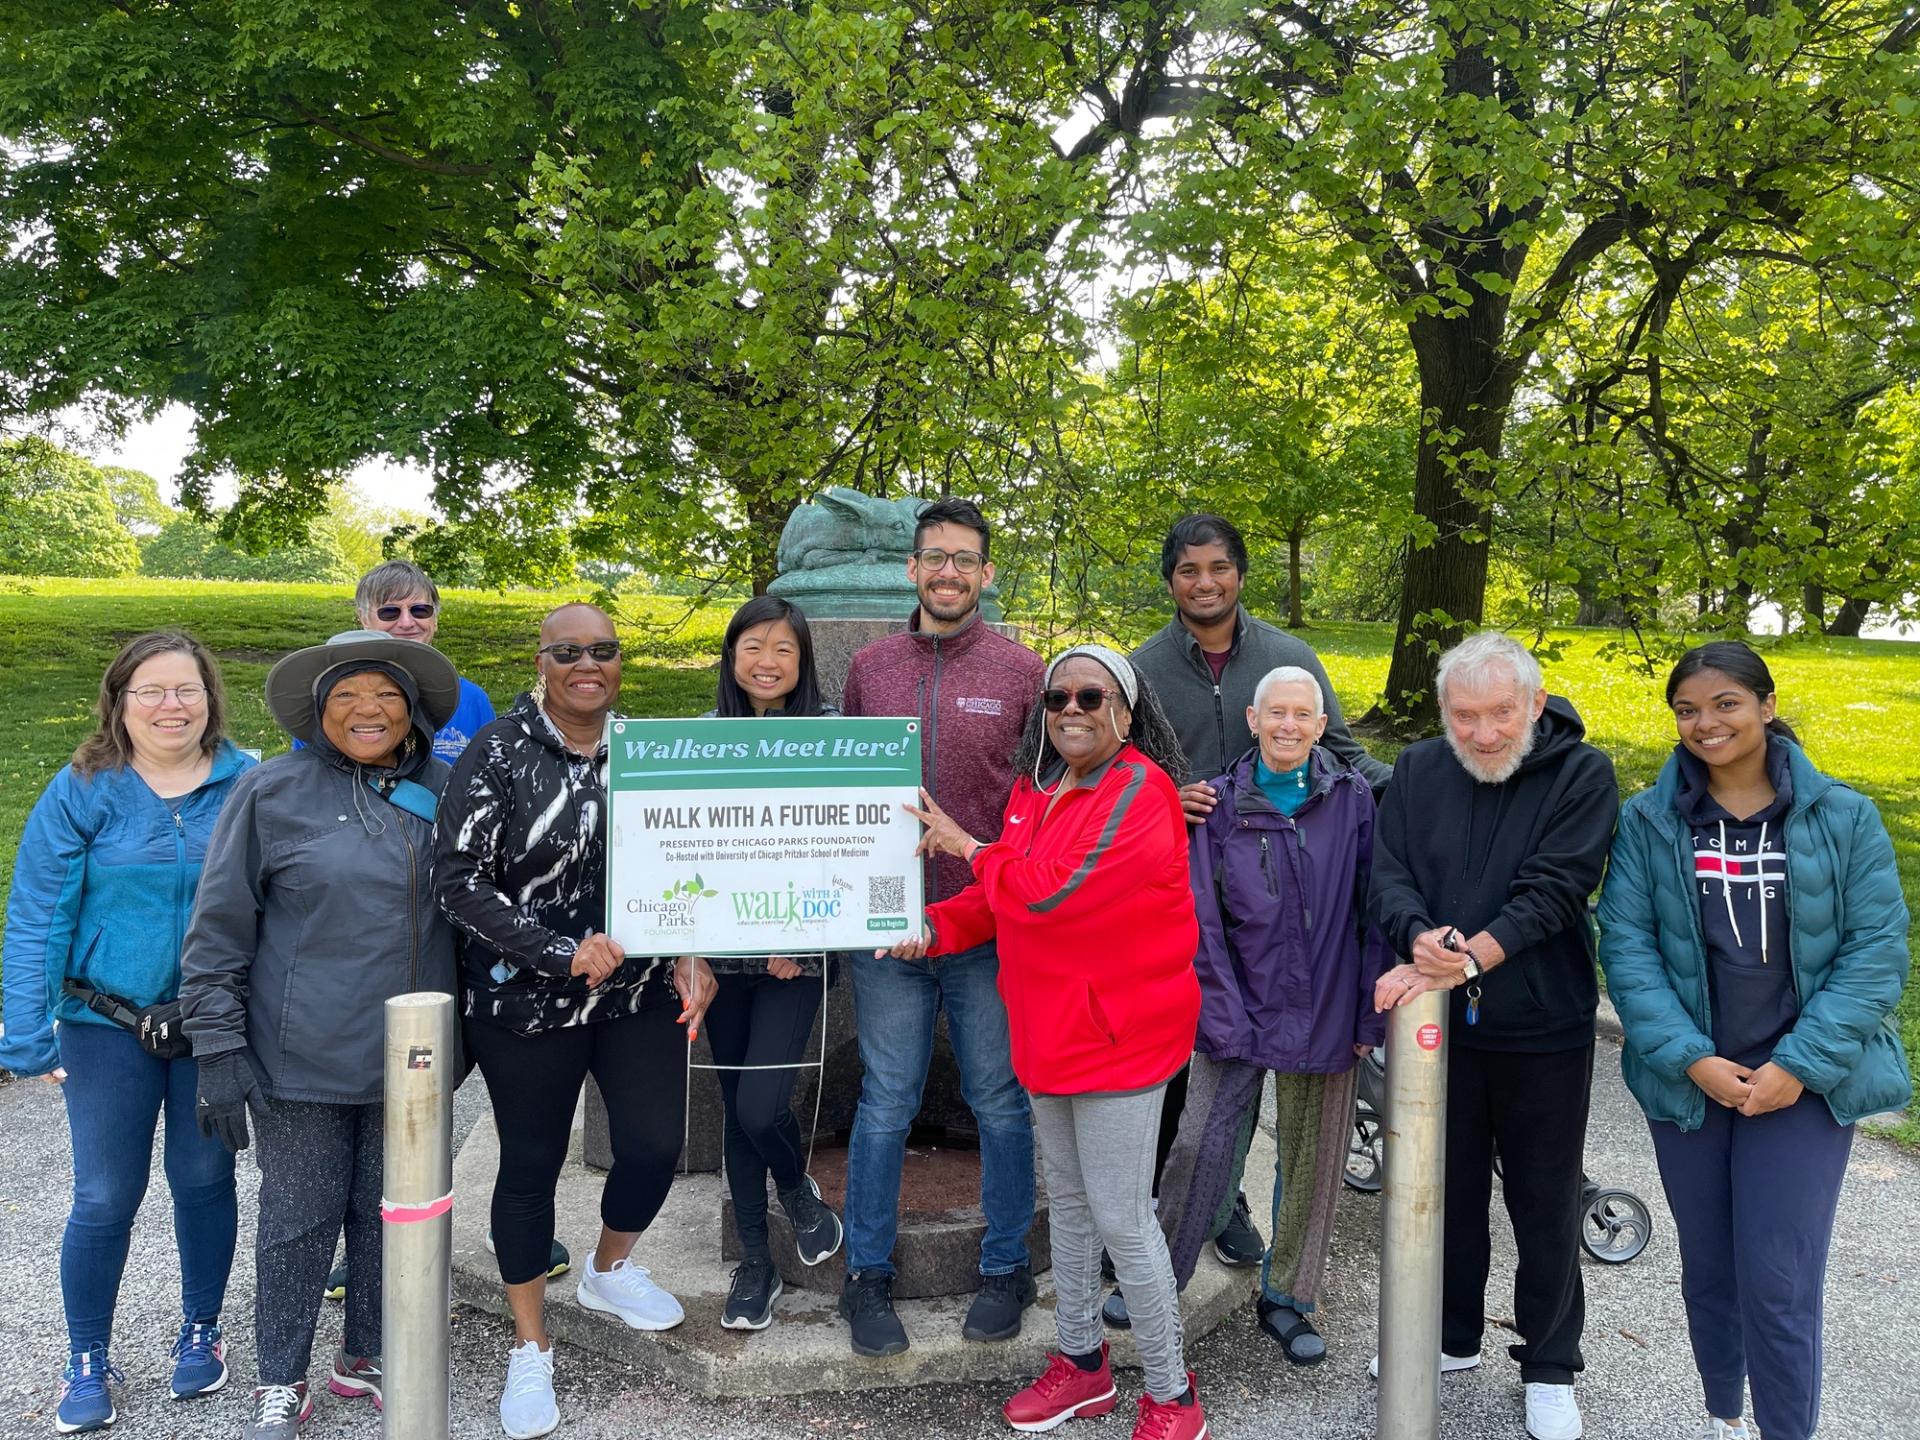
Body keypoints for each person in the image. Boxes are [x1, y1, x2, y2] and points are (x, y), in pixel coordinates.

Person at [885, 644, 1206, 1440]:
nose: (1071, 708)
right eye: (1058, 696)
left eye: (1091, 697)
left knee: (1123, 1219)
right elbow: (1001, 900)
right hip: (1050, 1033)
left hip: (1119, 1041)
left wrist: (964, 846)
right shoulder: (1039, 791)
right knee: (1065, 1205)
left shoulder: (1141, 791)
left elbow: (1051, 894)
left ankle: (1172, 1396)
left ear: (1126, 714)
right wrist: (934, 926)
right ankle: (1084, 1368)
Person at [1596, 642, 1911, 1440]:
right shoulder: (1648, 819)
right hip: (1690, 1083)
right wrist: (1690, 1057)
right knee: (1710, 1273)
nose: (1706, 723)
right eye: (1688, 709)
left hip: (1804, 1087)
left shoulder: (1843, 816)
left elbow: (1877, 954)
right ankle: (1722, 1417)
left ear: (1767, 706)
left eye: (1726, 703)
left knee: (1778, 1281)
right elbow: (1625, 947)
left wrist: (1797, 1067)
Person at [434, 603, 718, 1440]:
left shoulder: (646, 750)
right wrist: (558, 952)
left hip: (634, 997)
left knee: (654, 1145)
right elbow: (458, 883)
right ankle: (531, 1344)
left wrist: (691, 950)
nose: (587, 664)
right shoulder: (497, 751)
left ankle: (608, 1268)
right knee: (529, 1166)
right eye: (569, 652)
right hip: (523, 1002)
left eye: (603, 650)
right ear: (543, 659)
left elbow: (689, 864)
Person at [180, 628, 462, 1440]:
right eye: (346, 697)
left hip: (414, 1059)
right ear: (318, 712)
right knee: (298, 1221)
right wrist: (219, 1048)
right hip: (299, 1057)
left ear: (412, 711)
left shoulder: (447, 788)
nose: (367, 711)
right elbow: (219, 930)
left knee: (395, 1216)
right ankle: (282, 1375)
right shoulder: (270, 793)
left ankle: (366, 1354)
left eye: (384, 696)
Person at [0, 633, 254, 1434]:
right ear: (119, 701)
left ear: (210, 699)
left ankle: (201, 1331)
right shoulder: (83, 788)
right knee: (106, 1193)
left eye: (187, 689)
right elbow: (37, 912)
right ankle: (87, 1354)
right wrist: (24, 1029)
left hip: (213, 1020)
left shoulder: (248, 781)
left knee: (204, 1178)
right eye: (151, 690)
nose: (170, 705)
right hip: (105, 1020)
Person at [1370, 630, 1618, 1440]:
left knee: (1543, 1201)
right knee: (1448, 1193)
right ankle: (1451, 1336)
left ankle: (1550, 1364)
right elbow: (1389, 872)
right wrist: (1416, 939)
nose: (1481, 733)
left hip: (1542, 1024)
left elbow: (1556, 891)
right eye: (1464, 715)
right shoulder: (1416, 769)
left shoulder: (1582, 774)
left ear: (1535, 705)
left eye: (1500, 714)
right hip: (1440, 1027)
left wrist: (1462, 960)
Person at [1129, 512, 1391, 1275]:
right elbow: (1124, 777)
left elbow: (1342, 756)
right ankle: (1193, 1213)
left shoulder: (1288, 656)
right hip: (1190, 888)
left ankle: (1245, 1227)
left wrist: (1424, 797)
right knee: (1200, 1072)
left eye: (1218, 568)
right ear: (1171, 580)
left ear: (1240, 573)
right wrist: (1163, 800)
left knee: (1288, 1084)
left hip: (1292, 883)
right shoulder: (1144, 669)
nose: (1204, 583)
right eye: (1188, 570)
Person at [320, 561, 566, 1302]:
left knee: (491, 1082)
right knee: (384, 1092)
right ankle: (369, 1245)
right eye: (389, 612)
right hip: (376, 925)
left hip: (466, 920)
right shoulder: (330, 699)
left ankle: (518, 1226)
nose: (406, 624)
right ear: (362, 616)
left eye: (419, 611)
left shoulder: (468, 700)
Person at [836, 497, 1044, 1356]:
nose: (949, 571)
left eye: (965, 558)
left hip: (987, 927)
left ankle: (1006, 1269)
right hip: (885, 928)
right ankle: (867, 1275)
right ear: (912, 569)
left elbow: (1040, 803)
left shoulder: (1024, 671)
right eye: (935, 557)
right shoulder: (872, 668)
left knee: (999, 1098)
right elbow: (837, 793)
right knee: (884, 1102)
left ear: (985, 574)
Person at [1159, 665, 1389, 1366]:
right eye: (1275, 713)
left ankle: (1288, 1297)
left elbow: (1372, 910)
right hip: (1236, 1003)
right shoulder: (1217, 804)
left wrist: (1364, 1016)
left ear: (1322, 728)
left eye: (1303, 714)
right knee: (1199, 1144)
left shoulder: (1353, 801)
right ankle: (1158, 1278)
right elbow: (1199, 913)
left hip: (1324, 1006)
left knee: (1312, 1159)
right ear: (1254, 721)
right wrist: (1218, 1010)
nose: (1288, 725)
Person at [700, 595, 845, 1332]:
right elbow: (668, 856)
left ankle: (794, 1187)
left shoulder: (831, 736)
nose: (766, 661)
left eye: (783, 649)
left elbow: (844, 843)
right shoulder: (697, 740)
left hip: (795, 958)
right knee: (737, 1111)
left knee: (758, 1105)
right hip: (719, 964)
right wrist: (685, 952)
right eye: (753, 645)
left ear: (803, 661)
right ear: (731, 655)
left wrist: (801, 932)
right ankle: (755, 1262)